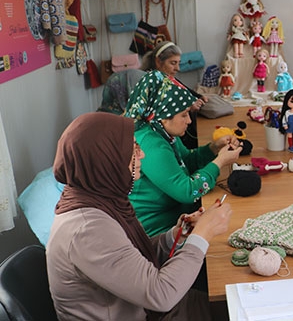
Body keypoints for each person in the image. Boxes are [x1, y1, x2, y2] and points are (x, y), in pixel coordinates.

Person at [46, 112, 232, 320]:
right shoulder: (87, 229)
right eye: (133, 149)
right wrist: (202, 235)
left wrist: (177, 235)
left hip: (144, 307)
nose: (141, 155)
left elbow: (131, 260)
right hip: (150, 308)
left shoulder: (101, 198)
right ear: (107, 159)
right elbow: (161, 295)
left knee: (233, 301)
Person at [124, 53, 242, 237]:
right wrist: (219, 162)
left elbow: (186, 160)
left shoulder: (162, 132)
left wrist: (212, 149)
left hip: (174, 221)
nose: (189, 120)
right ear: (163, 117)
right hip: (154, 234)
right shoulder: (150, 143)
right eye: (184, 114)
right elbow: (187, 191)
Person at [139, 41, 206, 149]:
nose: (178, 68)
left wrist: (199, 98)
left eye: (179, 63)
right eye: (173, 63)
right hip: (159, 141)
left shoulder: (167, 78)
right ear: (158, 61)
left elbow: (190, 94)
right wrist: (188, 106)